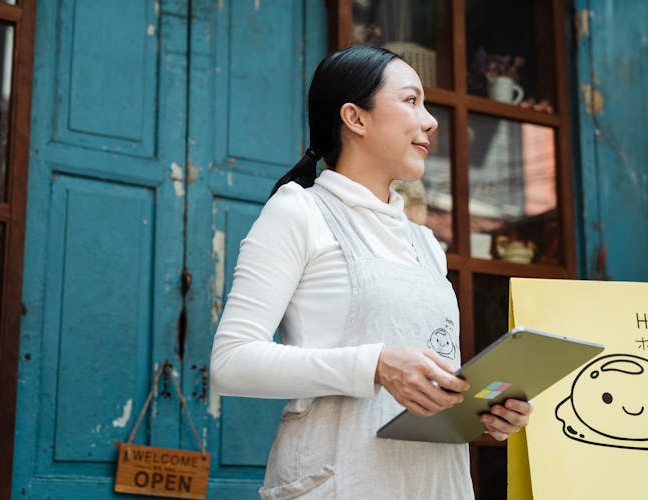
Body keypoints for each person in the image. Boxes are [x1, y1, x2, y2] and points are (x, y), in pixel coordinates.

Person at [210, 45, 532, 499]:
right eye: (410, 100)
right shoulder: (299, 212)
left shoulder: (425, 244)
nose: (431, 120)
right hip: (344, 480)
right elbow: (231, 363)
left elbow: (425, 393)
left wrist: (484, 415)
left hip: (436, 485)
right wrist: (376, 365)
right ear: (355, 118)